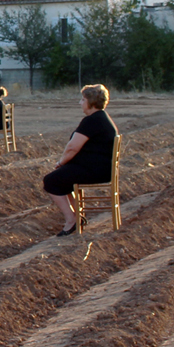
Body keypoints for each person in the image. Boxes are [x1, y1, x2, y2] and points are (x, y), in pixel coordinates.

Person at [42, 84, 118, 237]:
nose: (80, 103)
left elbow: (72, 148)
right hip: (100, 168)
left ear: (91, 102)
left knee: (50, 181)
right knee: (63, 179)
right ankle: (77, 217)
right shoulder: (101, 118)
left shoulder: (92, 121)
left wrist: (61, 162)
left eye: (83, 99)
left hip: (96, 170)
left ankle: (71, 220)